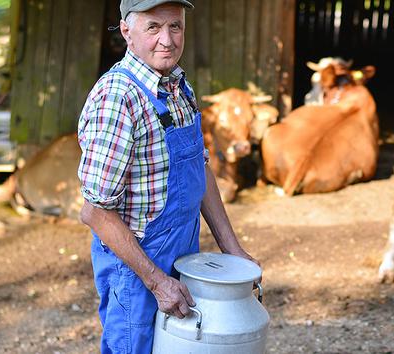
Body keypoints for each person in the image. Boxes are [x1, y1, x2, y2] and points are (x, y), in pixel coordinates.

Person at [76, 1, 258, 352]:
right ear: (127, 32)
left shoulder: (178, 88)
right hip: (136, 271)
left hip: (183, 259)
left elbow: (198, 168)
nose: (168, 40)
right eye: (153, 27)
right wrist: (157, 281)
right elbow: (95, 211)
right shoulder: (118, 99)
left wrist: (232, 248)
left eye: (175, 26)